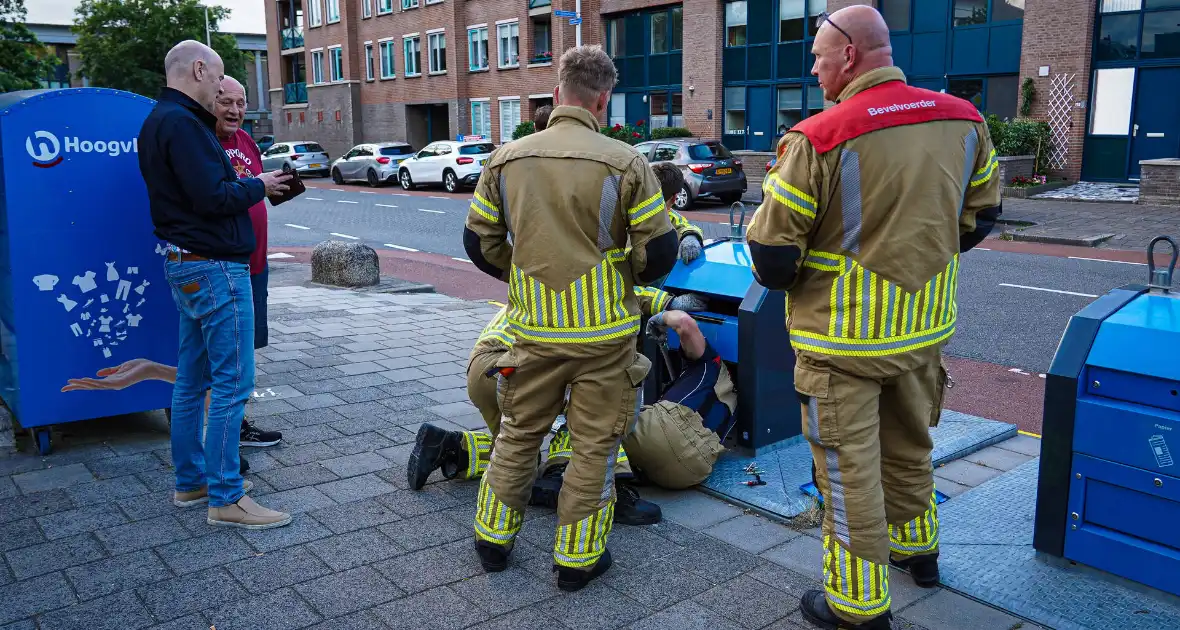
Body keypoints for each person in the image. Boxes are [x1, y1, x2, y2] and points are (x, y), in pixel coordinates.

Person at [745, 6, 1000, 629]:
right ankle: (919, 552)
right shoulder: (963, 120)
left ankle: (857, 605)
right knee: (911, 446)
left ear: (850, 56)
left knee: (845, 468)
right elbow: (981, 216)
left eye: (817, 53)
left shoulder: (819, 137)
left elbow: (772, 255)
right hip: (922, 331)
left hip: (842, 343)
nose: (813, 64)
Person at [462, 44, 678, 591]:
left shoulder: (505, 158)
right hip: (604, 338)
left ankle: (492, 541)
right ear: (603, 99)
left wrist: (523, 275)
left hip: (532, 332)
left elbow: (478, 240)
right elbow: (659, 253)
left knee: (518, 433)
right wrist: (620, 275)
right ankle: (577, 561)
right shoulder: (627, 161)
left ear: (557, 92)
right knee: (593, 447)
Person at [138, 40, 293, 530]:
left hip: (185, 264)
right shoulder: (184, 124)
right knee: (232, 383)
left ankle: (192, 482)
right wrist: (259, 186)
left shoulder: (158, 120)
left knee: (190, 381)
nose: (219, 94)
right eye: (217, 80)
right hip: (215, 268)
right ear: (200, 69)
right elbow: (212, 197)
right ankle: (227, 495)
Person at [406, 285, 707, 522]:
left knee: (518, 454)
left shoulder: (542, 269)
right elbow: (627, 289)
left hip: (483, 368)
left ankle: (449, 447)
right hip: (519, 366)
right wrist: (670, 304)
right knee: (596, 402)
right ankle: (596, 489)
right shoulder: (597, 277)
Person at [212, 76, 283, 450]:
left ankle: (237, 423)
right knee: (224, 352)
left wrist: (274, 186)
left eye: (240, 103)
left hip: (256, 263)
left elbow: (253, 186)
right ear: (210, 99)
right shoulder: (205, 144)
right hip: (225, 265)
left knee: (246, 348)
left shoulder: (245, 141)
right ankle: (221, 432)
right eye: (226, 102)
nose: (235, 111)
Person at [650, 162, 705, 264]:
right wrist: (691, 238)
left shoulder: (628, 207)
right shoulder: (668, 217)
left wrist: (691, 235)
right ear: (675, 197)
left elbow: (686, 227)